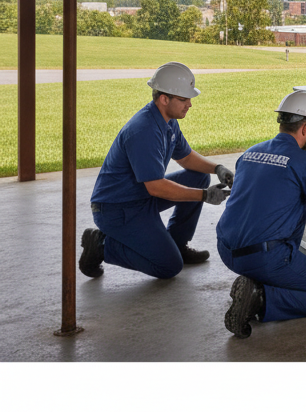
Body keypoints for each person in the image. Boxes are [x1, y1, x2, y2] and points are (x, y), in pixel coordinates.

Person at [217, 90, 306, 338]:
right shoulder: (304, 161)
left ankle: (255, 283)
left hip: (227, 250)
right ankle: (258, 298)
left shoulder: (249, 153)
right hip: (263, 257)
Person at [78, 62, 233, 280]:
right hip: (117, 209)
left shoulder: (167, 121)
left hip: (139, 196)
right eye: (183, 99)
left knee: (198, 176)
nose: (190, 104)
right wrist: (205, 195)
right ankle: (101, 245)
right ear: (163, 99)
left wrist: (217, 168)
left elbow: (186, 157)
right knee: (168, 266)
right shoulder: (143, 130)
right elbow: (156, 187)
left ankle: (178, 244)